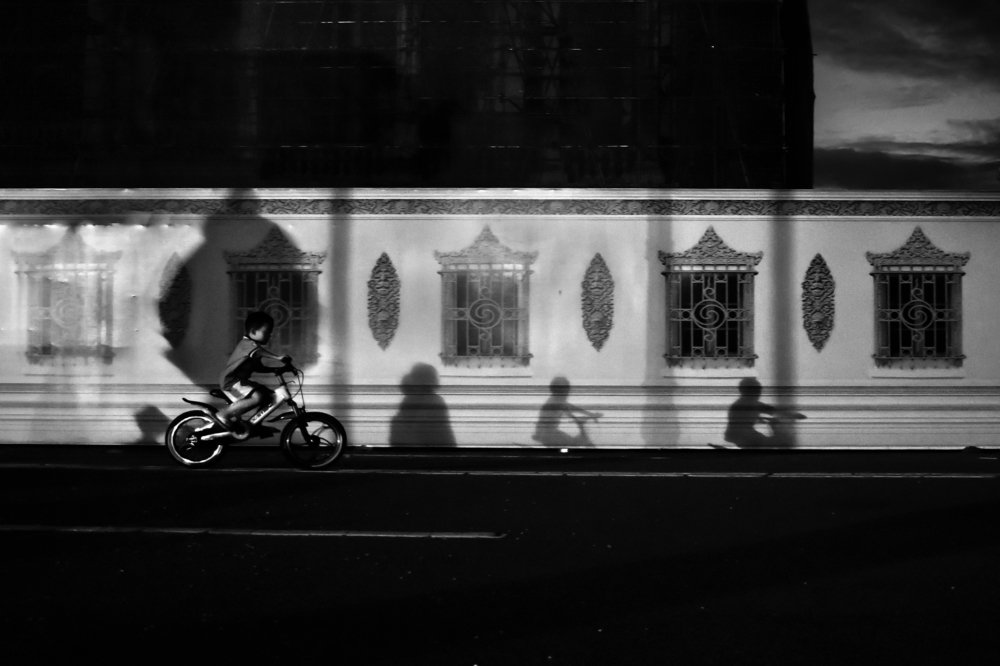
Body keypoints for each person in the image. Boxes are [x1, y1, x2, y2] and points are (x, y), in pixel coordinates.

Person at [215, 311, 291, 432]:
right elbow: (258, 351)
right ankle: (224, 415)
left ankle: (255, 423)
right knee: (257, 398)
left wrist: (276, 369)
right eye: (266, 332)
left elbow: (259, 368)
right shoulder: (247, 344)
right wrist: (278, 357)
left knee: (269, 396)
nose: (269, 335)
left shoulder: (253, 348)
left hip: (241, 382)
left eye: (270, 332)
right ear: (253, 331)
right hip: (231, 381)